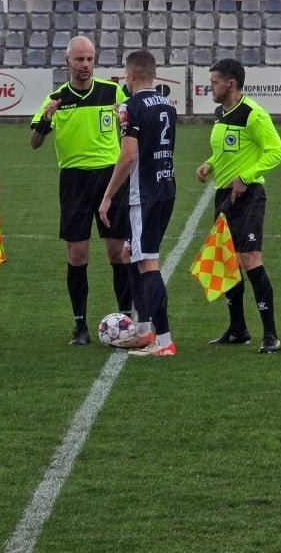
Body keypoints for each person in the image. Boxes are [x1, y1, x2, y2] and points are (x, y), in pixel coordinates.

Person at [29, 34, 134, 345]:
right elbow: (34, 143)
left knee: (118, 252)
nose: (86, 64)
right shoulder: (56, 98)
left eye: (90, 59)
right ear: (68, 61)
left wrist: (124, 118)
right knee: (77, 255)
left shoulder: (112, 92)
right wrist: (46, 119)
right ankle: (80, 326)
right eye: (80, 59)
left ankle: (125, 319)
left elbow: (131, 127)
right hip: (73, 180)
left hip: (110, 178)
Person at [196, 58, 281, 354]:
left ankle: (270, 336)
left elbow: (277, 152)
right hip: (224, 196)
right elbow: (225, 150)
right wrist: (209, 164)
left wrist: (246, 177)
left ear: (231, 83)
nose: (210, 87)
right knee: (228, 261)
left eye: (214, 82)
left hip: (248, 195)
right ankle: (238, 330)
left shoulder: (253, 114)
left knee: (250, 259)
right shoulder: (220, 113)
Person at [99, 50, 178, 356]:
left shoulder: (130, 107)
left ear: (130, 74)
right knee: (129, 253)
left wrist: (108, 196)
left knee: (147, 262)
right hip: (165, 186)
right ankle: (143, 331)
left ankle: (164, 341)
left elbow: (128, 155)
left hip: (143, 194)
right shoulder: (166, 104)